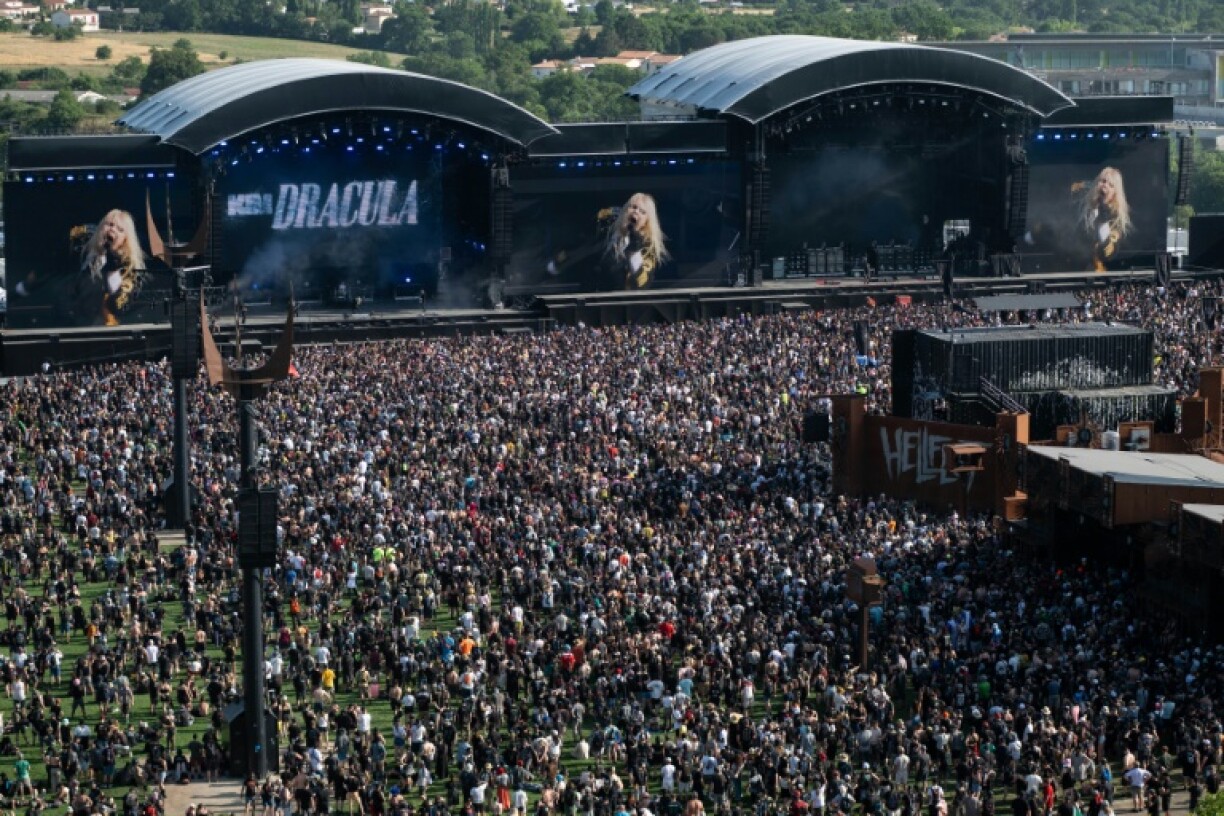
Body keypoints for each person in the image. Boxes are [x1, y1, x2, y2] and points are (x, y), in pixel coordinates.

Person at [76, 208, 158, 327]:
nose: (112, 229)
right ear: (100, 227)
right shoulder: (82, 243)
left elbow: (118, 306)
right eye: (110, 224)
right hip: (70, 322)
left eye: (120, 230)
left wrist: (112, 271)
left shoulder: (129, 270)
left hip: (104, 328)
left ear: (125, 240)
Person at [604, 193, 669, 290]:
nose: (636, 212)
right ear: (626, 210)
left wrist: (634, 252)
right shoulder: (608, 234)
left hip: (624, 301)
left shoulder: (648, 248)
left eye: (642, 212)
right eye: (634, 207)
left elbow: (642, 283)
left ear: (646, 221)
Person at [1072, 167, 1131, 272]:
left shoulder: (1115, 219)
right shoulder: (1086, 209)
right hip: (1076, 269)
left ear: (1115, 193)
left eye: (1111, 185)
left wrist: (1103, 221)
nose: (1105, 186)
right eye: (1103, 181)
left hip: (1098, 275)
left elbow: (1107, 253)